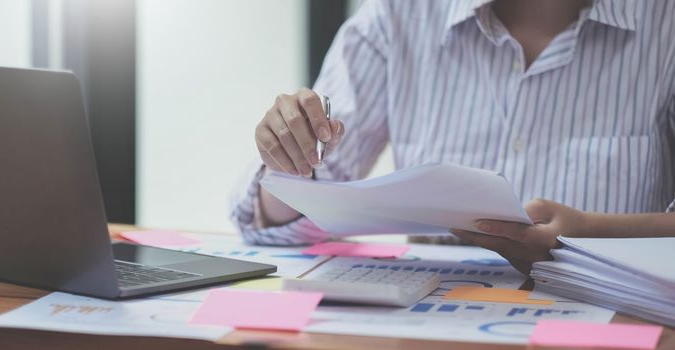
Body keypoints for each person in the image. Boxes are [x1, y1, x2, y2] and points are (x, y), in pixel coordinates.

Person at [229, 0, 675, 274]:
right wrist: (289, 153)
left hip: (616, 321)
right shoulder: (399, 13)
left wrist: (597, 234)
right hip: (431, 321)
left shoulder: (665, 25)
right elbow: (289, 213)